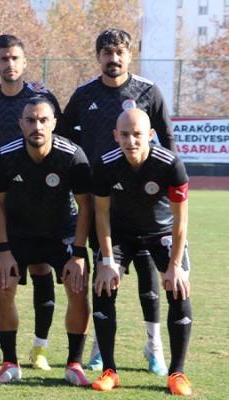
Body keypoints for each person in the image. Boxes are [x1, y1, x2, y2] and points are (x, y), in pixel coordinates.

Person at [56, 28, 177, 374]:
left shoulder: (148, 91)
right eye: (107, 53)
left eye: (120, 52)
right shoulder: (85, 94)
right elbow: (62, 131)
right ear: (98, 56)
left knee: (149, 278)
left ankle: (154, 347)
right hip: (103, 201)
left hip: (143, 201)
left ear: (129, 55)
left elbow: (167, 139)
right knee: (104, 273)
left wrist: (165, 183)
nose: (114, 59)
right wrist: (90, 148)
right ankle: (99, 347)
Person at [0, 34, 62, 370]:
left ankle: (40, 348)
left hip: (37, 198)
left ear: (24, 61)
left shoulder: (41, 99)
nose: (10, 64)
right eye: (3, 58)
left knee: (40, 267)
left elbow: (61, 139)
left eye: (15, 58)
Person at [0, 97, 92, 386]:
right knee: (2, 288)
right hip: (18, 234)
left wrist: (79, 253)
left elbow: (86, 206)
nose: (37, 126)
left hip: (62, 233)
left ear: (54, 123)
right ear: (21, 124)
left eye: (44, 120)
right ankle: (10, 362)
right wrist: (3, 250)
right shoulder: (5, 156)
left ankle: (74, 364)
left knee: (78, 288)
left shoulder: (73, 155)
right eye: (31, 120)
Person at [90, 109, 192, 396]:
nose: (131, 141)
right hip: (121, 234)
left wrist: (174, 265)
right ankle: (109, 371)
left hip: (162, 233)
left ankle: (177, 373)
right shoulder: (105, 164)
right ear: (116, 136)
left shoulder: (171, 164)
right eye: (124, 134)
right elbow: (101, 214)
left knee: (178, 288)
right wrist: (107, 261)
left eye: (137, 134)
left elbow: (181, 219)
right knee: (103, 286)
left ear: (150, 135)